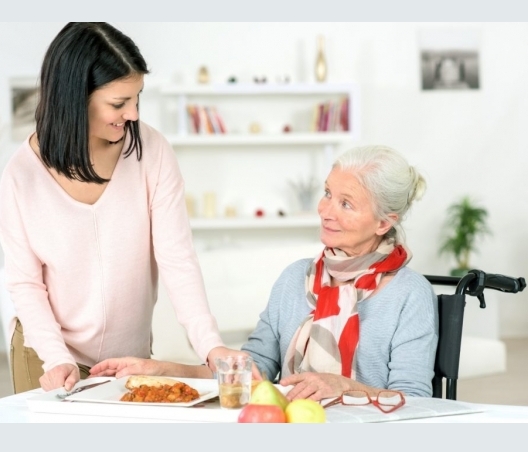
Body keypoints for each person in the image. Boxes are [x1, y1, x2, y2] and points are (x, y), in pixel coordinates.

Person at [0, 22, 251, 394]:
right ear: (75, 97)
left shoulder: (152, 152)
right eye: (118, 103)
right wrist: (56, 358)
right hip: (48, 356)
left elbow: (177, 258)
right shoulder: (21, 176)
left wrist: (210, 346)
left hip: (128, 361)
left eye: (137, 98)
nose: (132, 113)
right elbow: (25, 283)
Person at [91, 145, 438, 401]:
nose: (326, 211)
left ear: (384, 223)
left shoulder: (410, 293)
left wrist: (345, 387)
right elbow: (251, 372)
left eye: (345, 203)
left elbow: (416, 401)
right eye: (327, 194)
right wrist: (163, 371)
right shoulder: (295, 279)